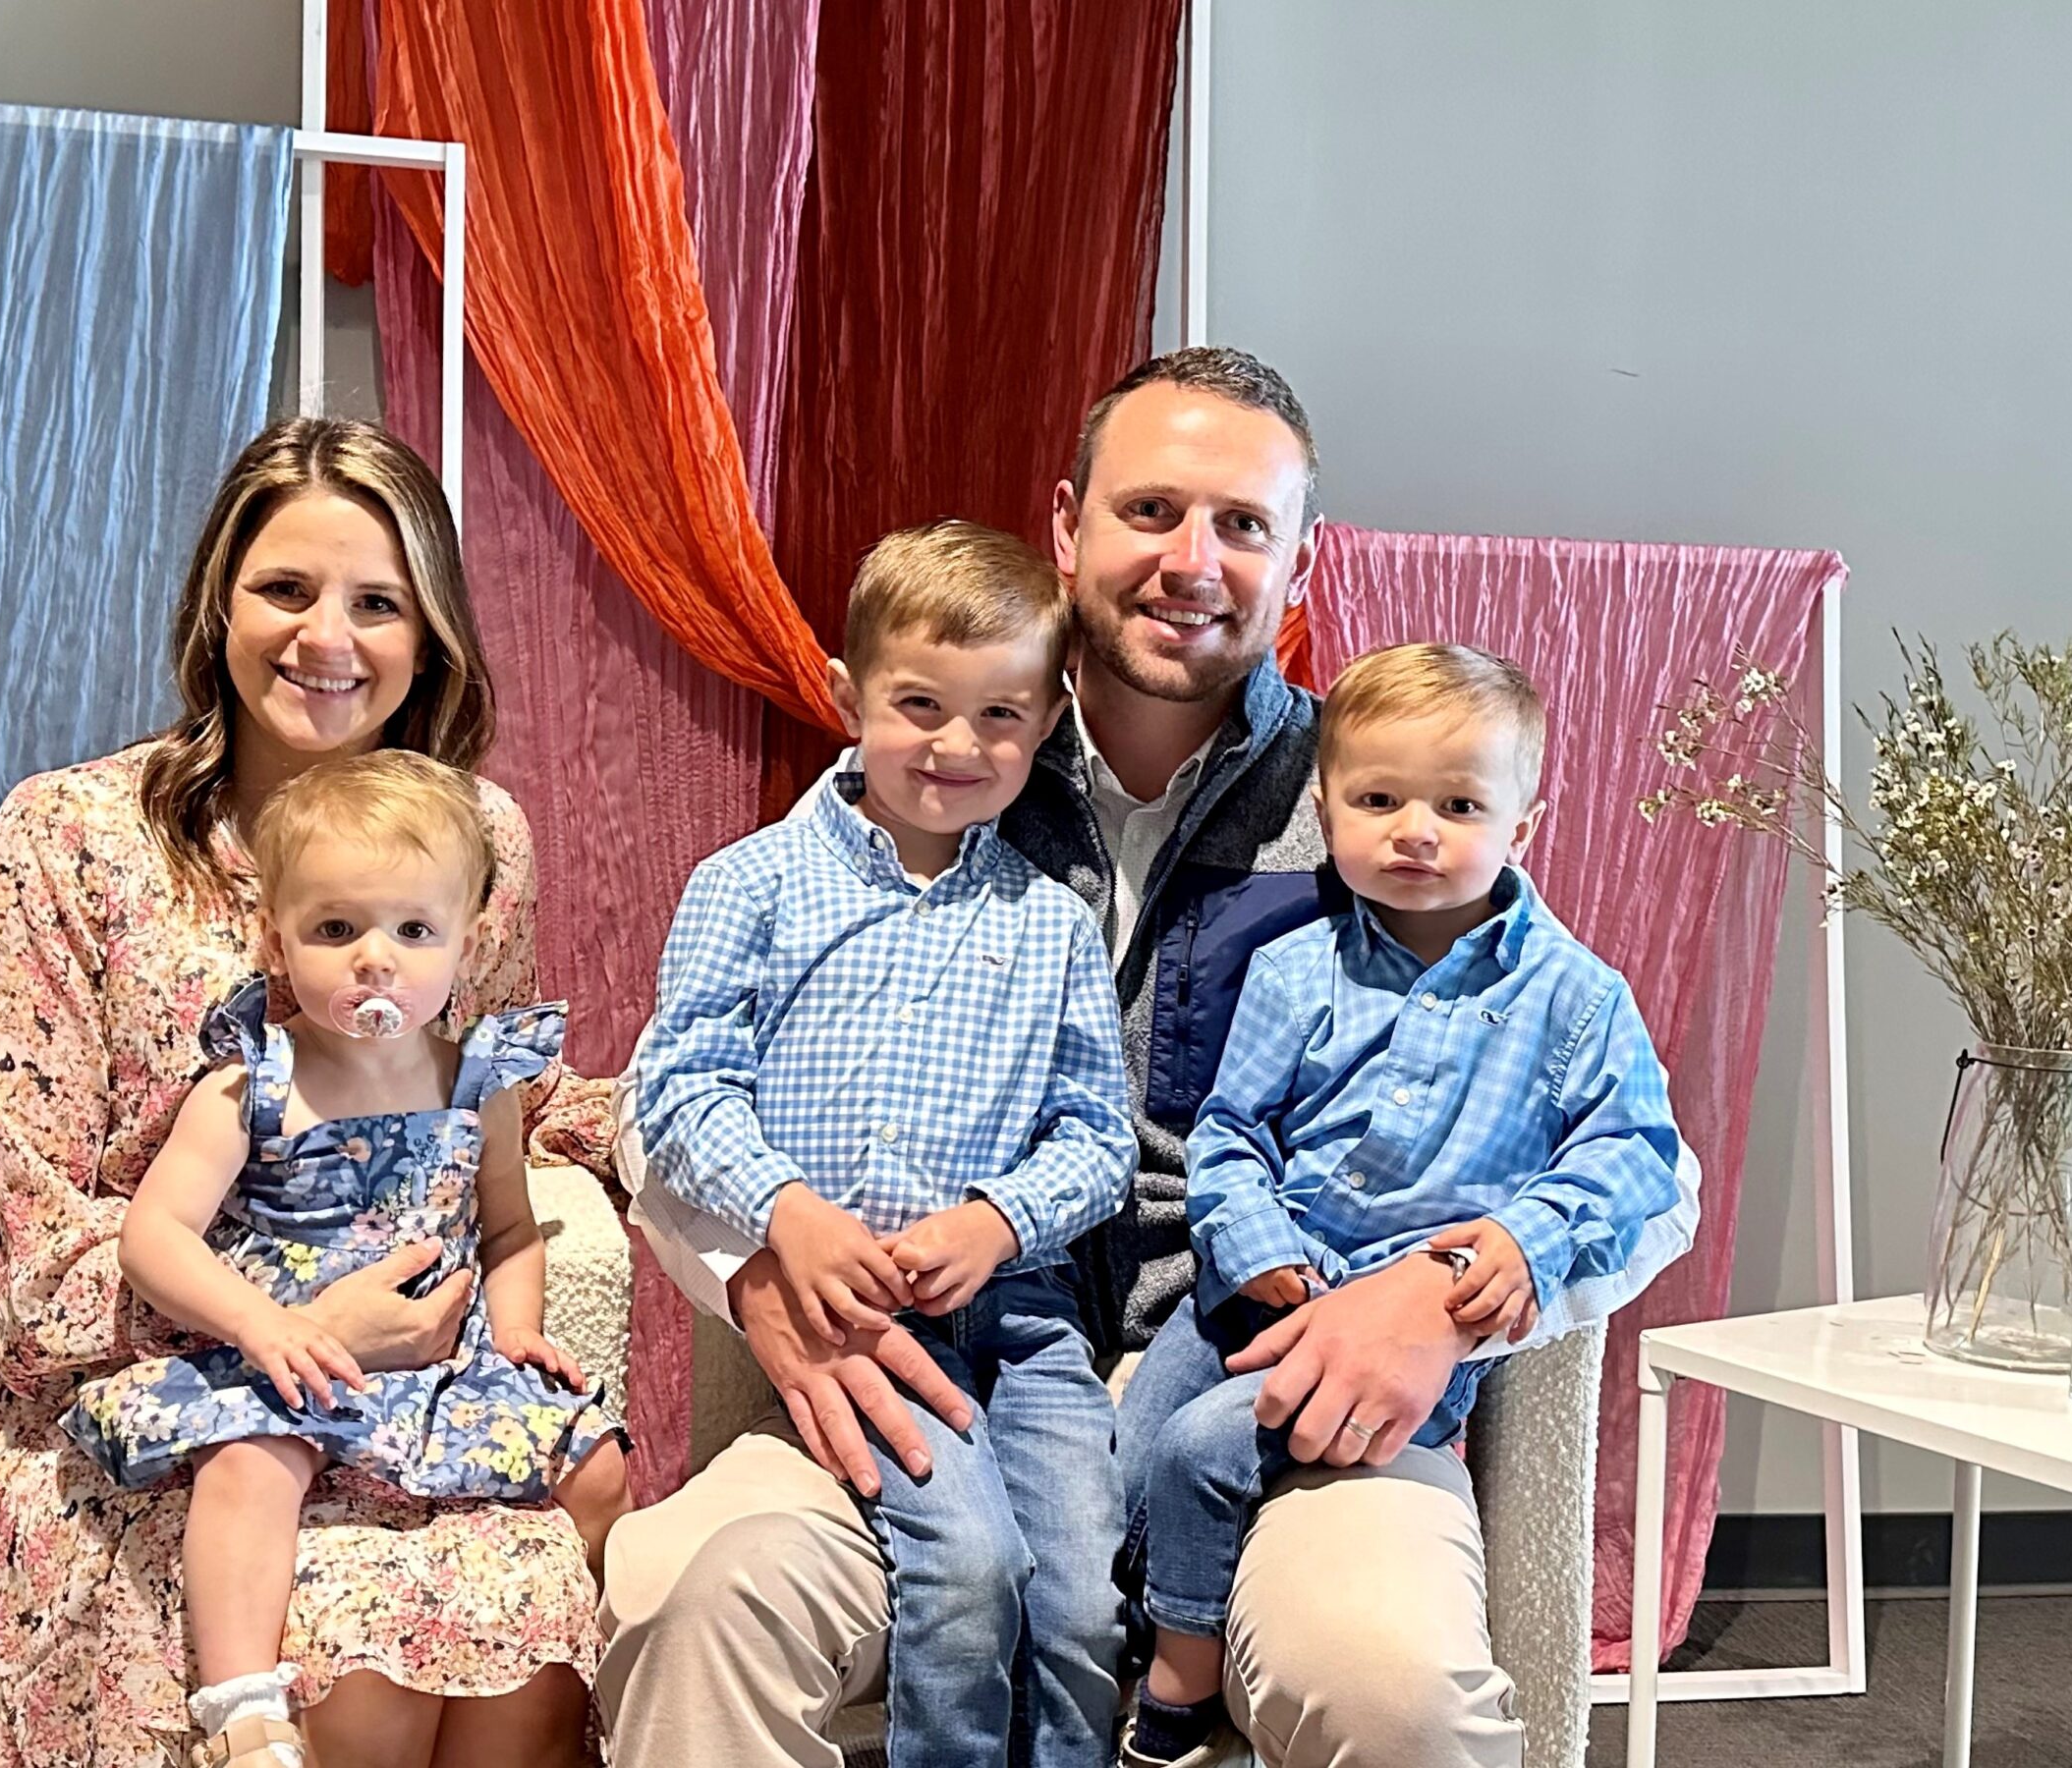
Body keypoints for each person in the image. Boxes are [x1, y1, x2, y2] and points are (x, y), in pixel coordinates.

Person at [599, 347, 1703, 1768]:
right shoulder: (944, 755)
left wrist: (1445, 1298)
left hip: (1279, 1382)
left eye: (1243, 524)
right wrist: (755, 1270)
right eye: (1152, 510)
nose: (1194, 561)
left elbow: (1646, 1165)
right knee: (695, 1596)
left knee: (1397, 1693)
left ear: (1299, 566)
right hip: (932, 1364)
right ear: (1068, 528)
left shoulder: (1384, 796)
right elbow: (663, 1102)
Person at [0, 418, 620, 1768]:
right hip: (136, 1386)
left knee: (533, 1629)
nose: (328, 638)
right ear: (218, 604)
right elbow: (29, 1256)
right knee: (349, 1674)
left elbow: (468, 1101)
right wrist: (300, 1330)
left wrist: (666, 1134)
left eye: (379, 603)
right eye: (286, 589)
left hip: (411, 1395)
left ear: (432, 634)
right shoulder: (71, 838)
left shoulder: (479, 836)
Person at [1117, 642, 1684, 1765]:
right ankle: (1137, 1633)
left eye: (1459, 805)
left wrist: (1524, 1238)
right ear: (1326, 810)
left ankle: (1177, 1700)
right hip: (1244, 1296)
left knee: (1196, 1453)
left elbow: (1641, 1155)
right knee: (1118, 1469)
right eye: (1379, 801)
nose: (1416, 831)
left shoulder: (1574, 997)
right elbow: (1230, 1135)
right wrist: (1253, 1243)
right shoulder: (1295, 969)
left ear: (1524, 826)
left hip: (1401, 1342)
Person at [629, 522, 1135, 1768]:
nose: (958, 746)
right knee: (967, 1569)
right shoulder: (749, 884)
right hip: (865, 1321)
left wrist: (999, 1221)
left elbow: (1098, 1137)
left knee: (1083, 1600)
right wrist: (787, 1211)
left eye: (1001, 717)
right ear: (848, 696)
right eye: (920, 705)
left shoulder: (1054, 924)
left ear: (1049, 721)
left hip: (1026, 1322)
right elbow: (680, 1091)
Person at [62, 751, 631, 1768]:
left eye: (413, 931)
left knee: (600, 1466)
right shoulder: (254, 1087)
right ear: (275, 941)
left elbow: (508, 1229)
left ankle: (592, 1666)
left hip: (439, 1361)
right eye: (336, 929)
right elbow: (154, 1235)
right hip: (294, 1352)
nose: (375, 960)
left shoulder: (479, 1087)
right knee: (250, 1465)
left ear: (466, 943)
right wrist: (259, 1325)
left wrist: (517, 1332)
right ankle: (241, 1709)